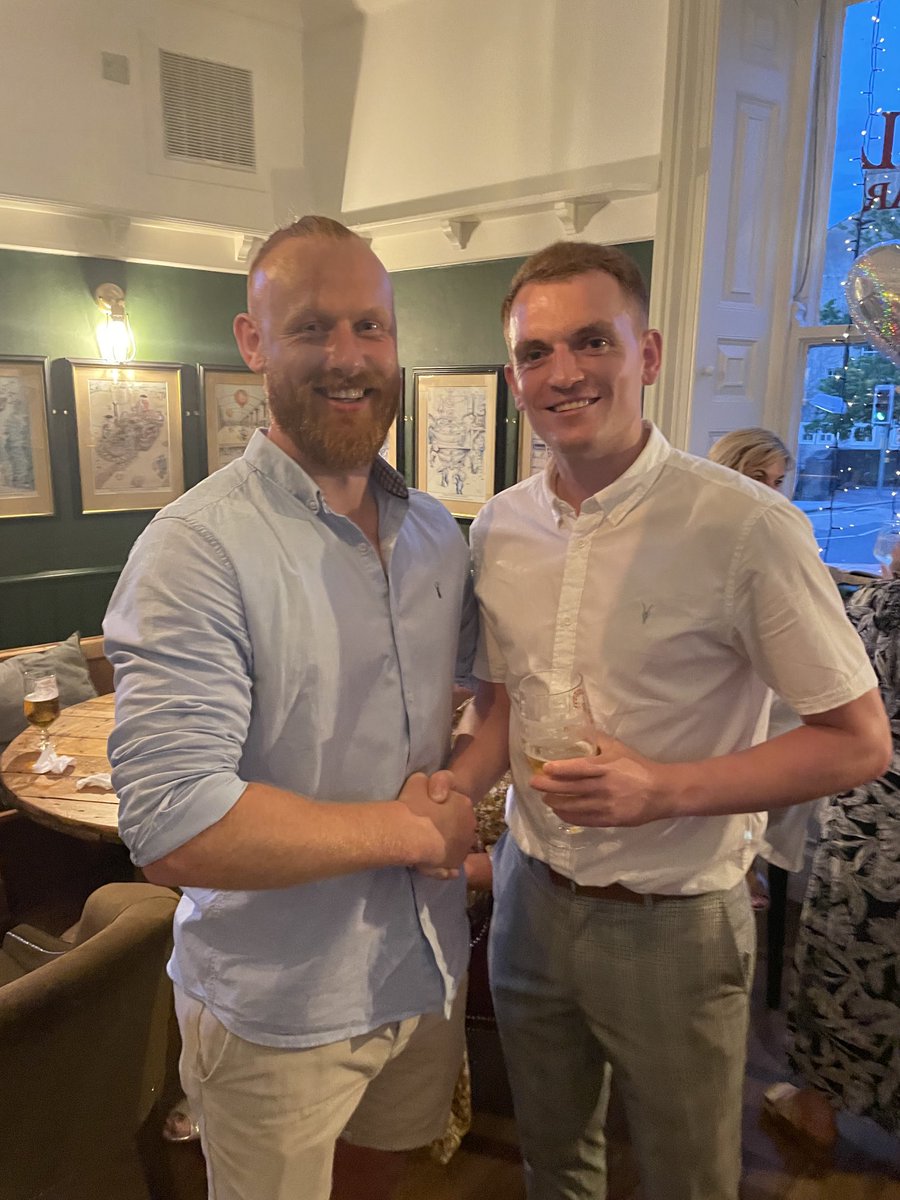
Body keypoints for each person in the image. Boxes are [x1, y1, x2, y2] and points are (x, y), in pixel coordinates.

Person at [449, 240, 891, 1200]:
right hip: (528, 898)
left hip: (677, 921)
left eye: (591, 341)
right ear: (515, 375)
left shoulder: (746, 526)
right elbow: (499, 704)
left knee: (689, 1180)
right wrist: (448, 795)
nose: (563, 372)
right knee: (554, 1163)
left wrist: (665, 790)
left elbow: (861, 741)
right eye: (535, 353)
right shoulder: (498, 529)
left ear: (645, 355)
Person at [103, 215, 478, 1200]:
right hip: (278, 1008)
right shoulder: (196, 549)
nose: (348, 357)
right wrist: (408, 829)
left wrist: (462, 794)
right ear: (254, 342)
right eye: (313, 328)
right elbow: (174, 827)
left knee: (378, 1180)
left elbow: (498, 701)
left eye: (371, 327)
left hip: (425, 969)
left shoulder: (438, 531)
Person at [764, 572, 900, 1151]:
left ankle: (817, 1109)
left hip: (880, 813)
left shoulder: (883, 604)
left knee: (844, 963)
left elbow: (824, 700)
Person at [707, 428, 817, 905]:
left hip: (764, 666)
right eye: (757, 476)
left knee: (806, 727)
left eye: (777, 480)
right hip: (714, 671)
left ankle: (754, 852)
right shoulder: (694, 530)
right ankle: (739, 851)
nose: (769, 491)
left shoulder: (783, 527)